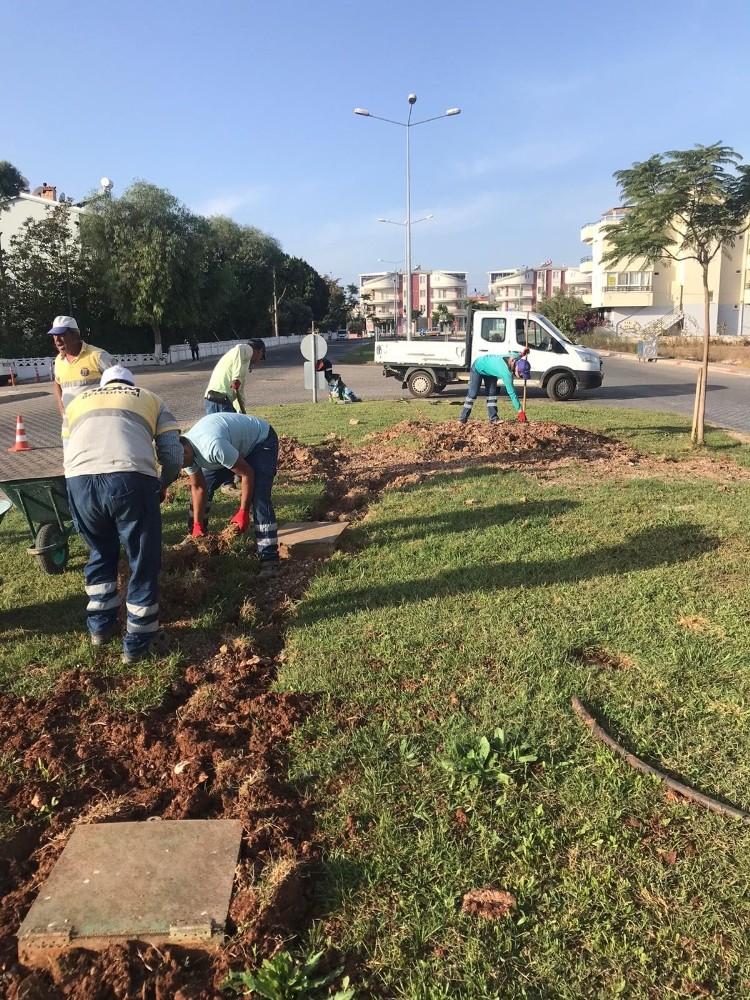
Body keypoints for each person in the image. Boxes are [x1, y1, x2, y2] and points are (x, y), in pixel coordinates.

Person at [64, 365, 183, 664]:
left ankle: (100, 627)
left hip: (79, 482)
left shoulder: (76, 402)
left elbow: (68, 448)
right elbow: (172, 453)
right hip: (129, 477)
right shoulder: (150, 398)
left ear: (104, 384)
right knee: (142, 558)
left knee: (100, 551)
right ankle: (140, 639)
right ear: (130, 384)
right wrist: (163, 482)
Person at [180, 412, 280, 580]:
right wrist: (197, 524)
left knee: (259, 498)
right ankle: (197, 540)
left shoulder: (212, 446)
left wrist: (243, 511)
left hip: (260, 442)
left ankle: (269, 558)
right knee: (205, 486)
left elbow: (247, 474)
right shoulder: (183, 451)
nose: (181, 467)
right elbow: (198, 488)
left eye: (181, 464)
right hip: (232, 446)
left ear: (185, 452)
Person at [48, 315, 113, 440]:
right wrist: (62, 409)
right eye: (54, 336)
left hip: (97, 426)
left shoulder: (98, 356)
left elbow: (121, 381)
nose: (57, 340)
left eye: (61, 335)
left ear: (75, 335)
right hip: (70, 428)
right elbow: (57, 383)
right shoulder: (59, 360)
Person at [459, 349, 530, 424]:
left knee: (491, 394)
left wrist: (523, 353)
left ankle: (493, 418)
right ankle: (463, 418)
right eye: (521, 375)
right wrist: (520, 412)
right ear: (517, 369)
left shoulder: (515, 358)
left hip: (491, 372)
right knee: (473, 394)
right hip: (478, 366)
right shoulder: (506, 374)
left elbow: (518, 354)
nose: (522, 377)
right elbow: (512, 394)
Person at [204, 339, 265, 415]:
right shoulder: (248, 349)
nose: (258, 361)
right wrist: (236, 378)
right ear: (260, 351)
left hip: (215, 400)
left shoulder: (241, 363)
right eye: (261, 357)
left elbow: (239, 392)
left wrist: (241, 413)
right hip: (220, 399)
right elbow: (239, 348)